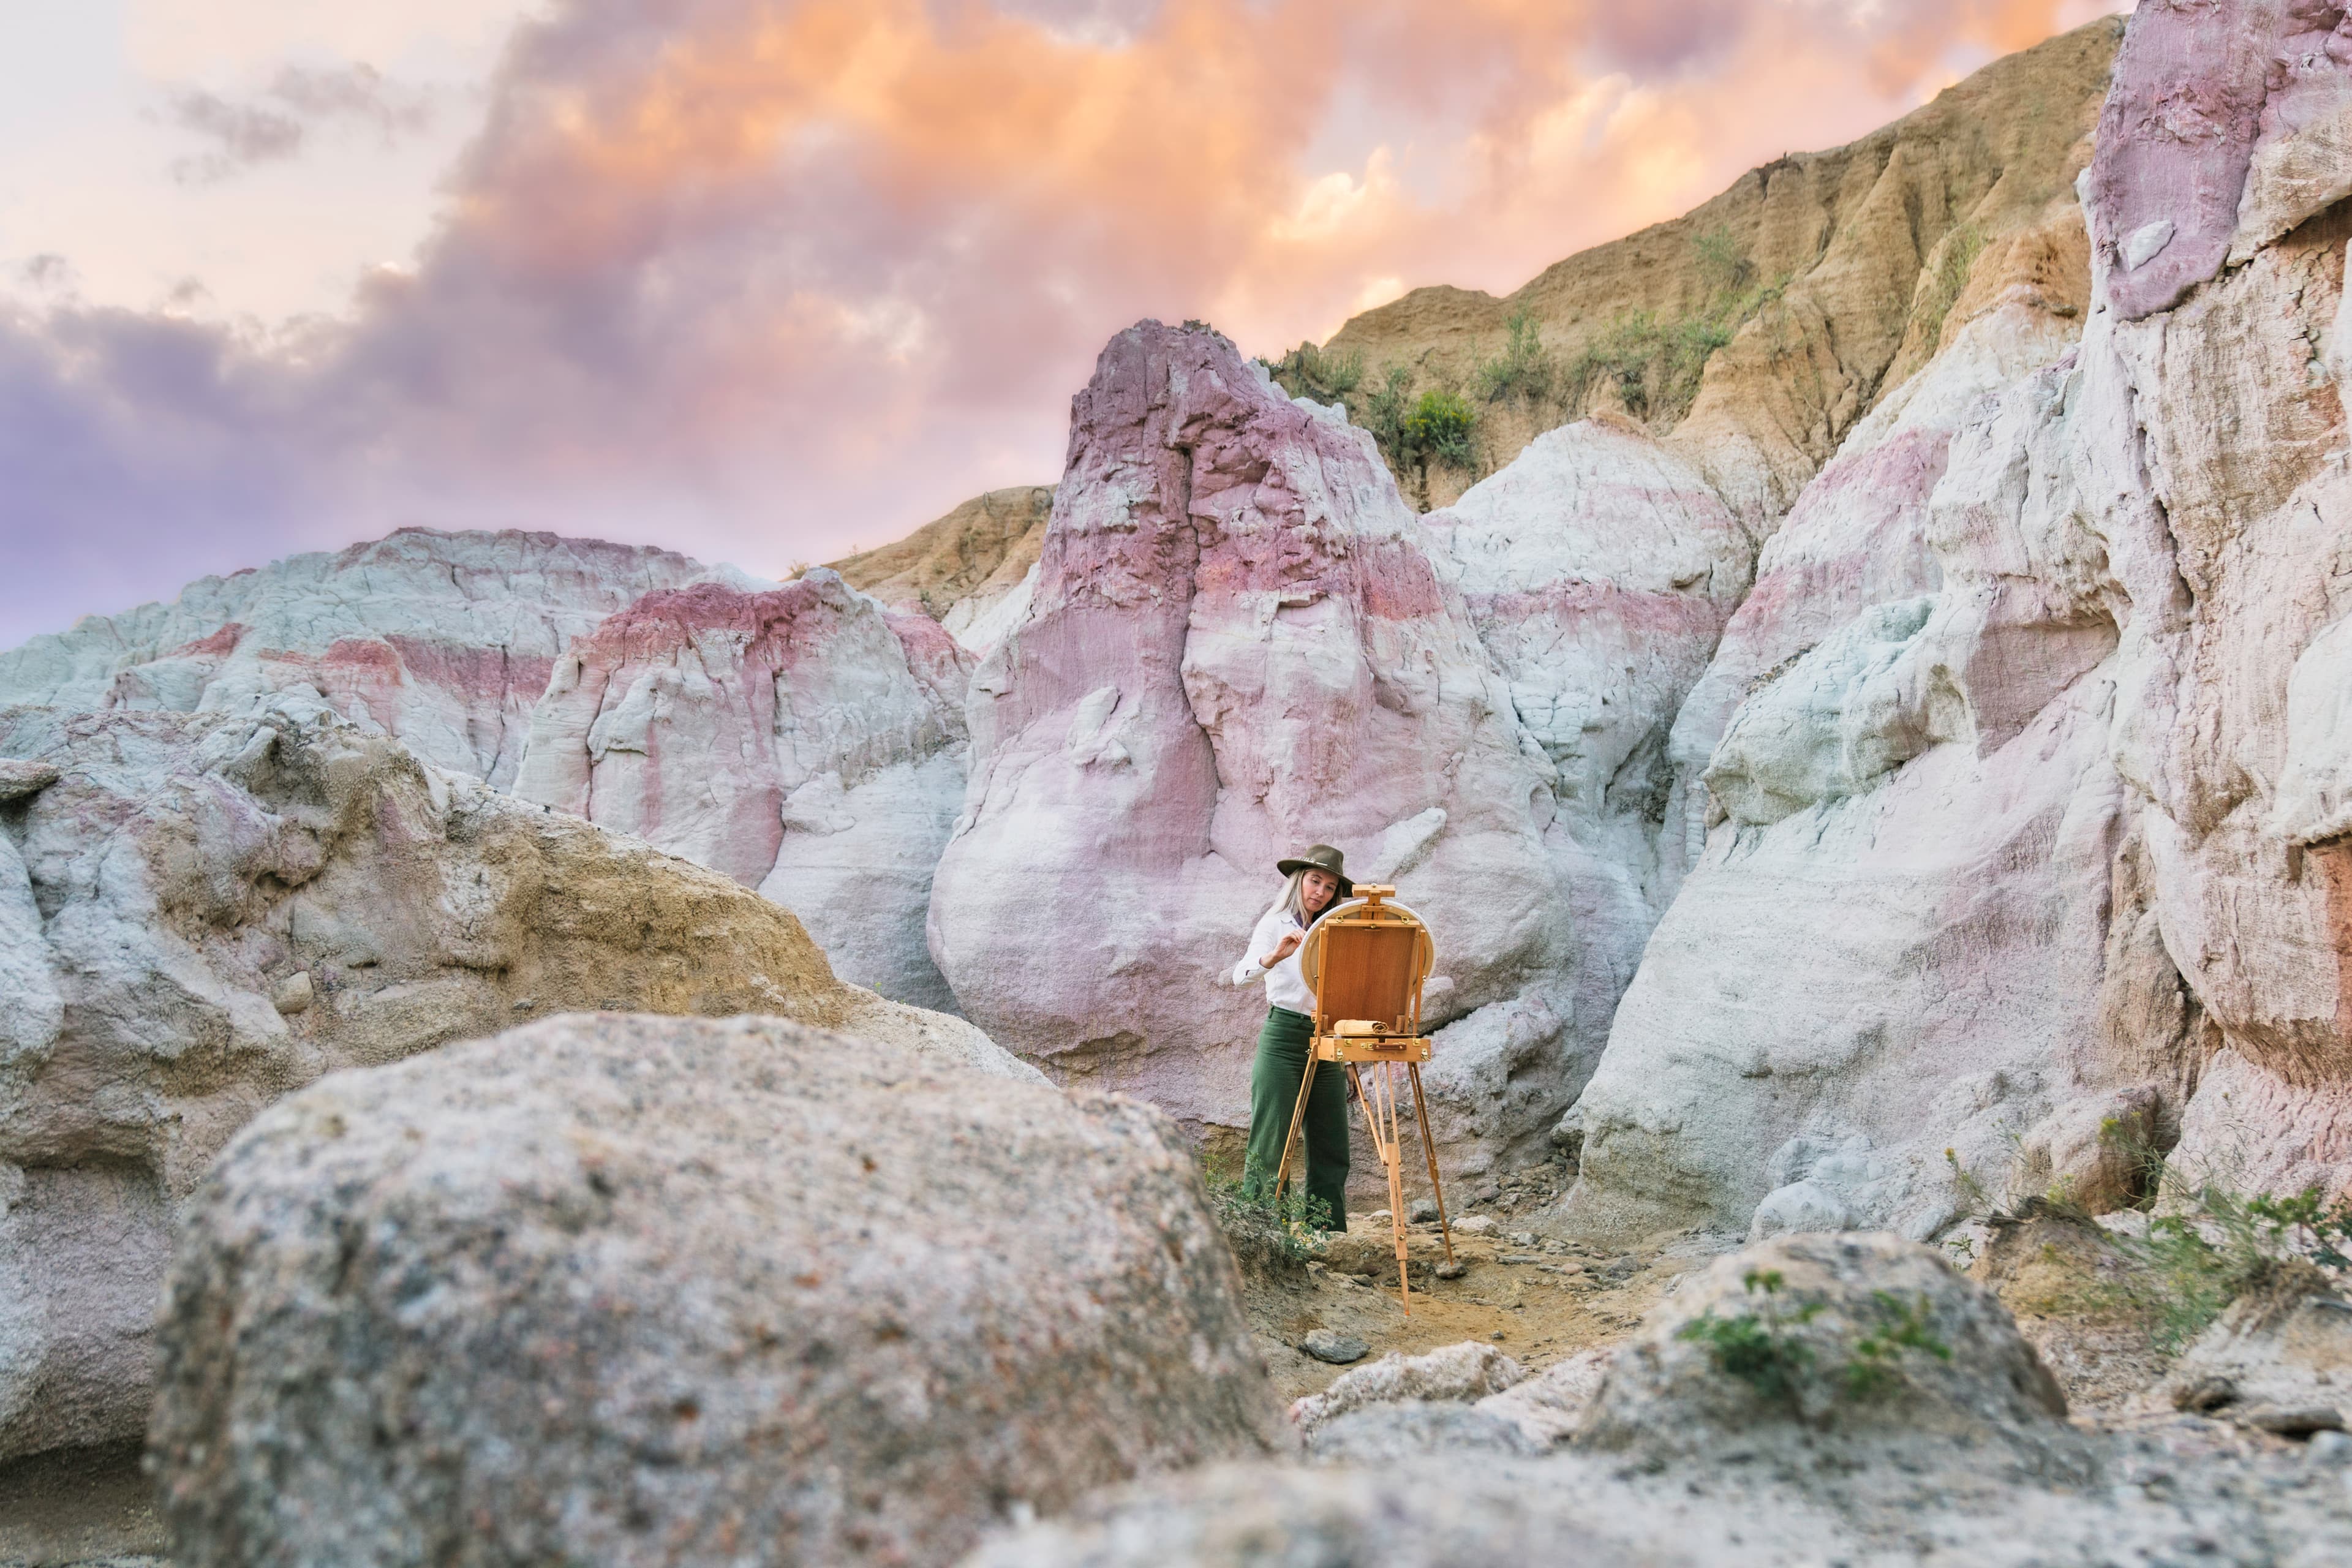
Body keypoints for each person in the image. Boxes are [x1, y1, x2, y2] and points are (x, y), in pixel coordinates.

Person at [1232, 843, 1354, 1232]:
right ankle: (1264, 1232)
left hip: (1329, 1038)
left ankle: (1328, 1233)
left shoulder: (1337, 931)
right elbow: (1240, 975)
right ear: (1300, 882)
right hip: (1283, 1036)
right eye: (1315, 881)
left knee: (1332, 1142)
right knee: (1273, 1138)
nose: (1320, 891)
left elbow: (1344, 995)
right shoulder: (1274, 924)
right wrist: (1275, 957)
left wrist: (1348, 1059)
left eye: (1330, 887)